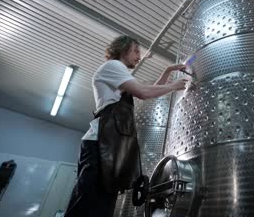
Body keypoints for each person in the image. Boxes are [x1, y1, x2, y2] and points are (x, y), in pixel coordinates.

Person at [64, 35, 187, 217]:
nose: (139, 56)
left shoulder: (119, 73)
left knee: (102, 203)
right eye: (136, 50)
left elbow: (147, 92)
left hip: (111, 143)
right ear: (122, 49)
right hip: (101, 142)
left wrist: (168, 71)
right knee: (89, 202)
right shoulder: (113, 66)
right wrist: (174, 86)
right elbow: (144, 92)